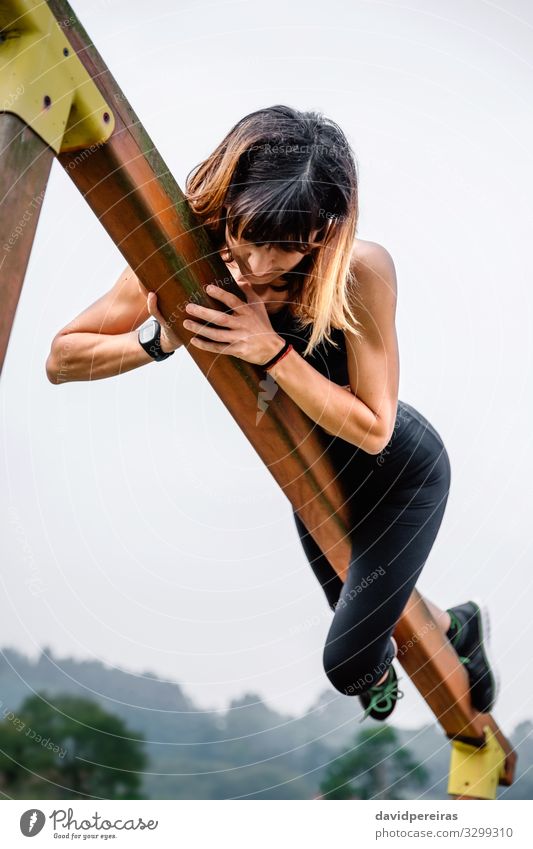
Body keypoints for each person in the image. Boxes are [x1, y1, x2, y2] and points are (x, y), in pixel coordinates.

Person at [46, 104, 498, 722]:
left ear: (323, 232)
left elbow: (375, 429)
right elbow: (62, 358)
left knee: (351, 667)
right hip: (310, 467)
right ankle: (455, 624)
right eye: (249, 237)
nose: (258, 266)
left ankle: (445, 626)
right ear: (230, 204)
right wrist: (154, 342)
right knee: (371, 623)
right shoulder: (192, 255)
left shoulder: (360, 271)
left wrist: (272, 351)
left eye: (282, 249)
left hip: (400, 476)